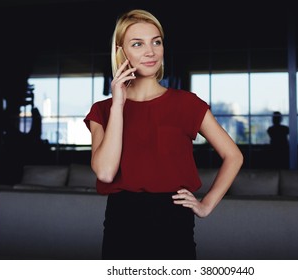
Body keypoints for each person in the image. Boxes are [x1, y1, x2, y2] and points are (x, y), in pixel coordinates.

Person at [84, 9, 243, 260]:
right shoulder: (102, 110)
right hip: (121, 224)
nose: (151, 51)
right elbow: (105, 172)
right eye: (138, 44)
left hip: (174, 223)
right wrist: (118, 105)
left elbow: (233, 156)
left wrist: (206, 205)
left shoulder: (187, 104)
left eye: (156, 42)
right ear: (121, 51)